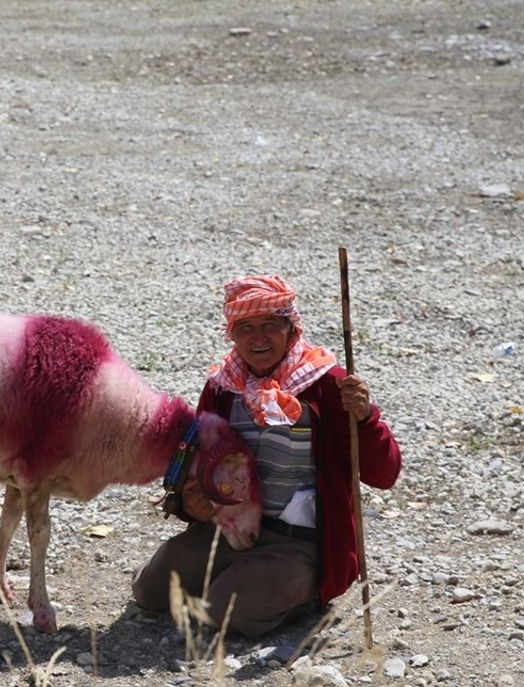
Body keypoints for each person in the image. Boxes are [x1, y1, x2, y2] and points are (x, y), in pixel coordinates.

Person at [131, 274, 402, 639]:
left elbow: (383, 474)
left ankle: (304, 591)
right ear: (232, 334)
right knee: (149, 591)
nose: (258, 339)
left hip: (301, 541)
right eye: (245, 328)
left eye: (270, 326)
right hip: (231, 527)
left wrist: (367, 418)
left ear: (291, 330)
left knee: (222, 612)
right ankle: (240, 575)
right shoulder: (223, 387)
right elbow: (197, 459)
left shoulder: (328, 385)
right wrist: (187, 500)